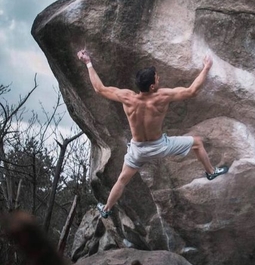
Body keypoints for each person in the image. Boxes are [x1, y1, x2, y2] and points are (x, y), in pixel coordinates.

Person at [77, 49, 228, 218]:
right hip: (160, 147)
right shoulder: (161, 97)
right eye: (157, 78)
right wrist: (206, 67)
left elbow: (99, 89)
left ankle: (106, 209)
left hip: (138, 150)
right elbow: (191, 91)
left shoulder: (128, 98)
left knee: (122, 180)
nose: (159, 78)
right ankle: (211, 172)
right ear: (152, 86)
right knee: (197, 142)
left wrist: (88, 63)